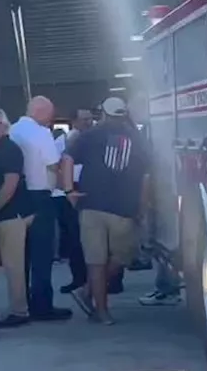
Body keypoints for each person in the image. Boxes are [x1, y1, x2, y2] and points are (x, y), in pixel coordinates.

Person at [61, 97, 150, 325]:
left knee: (96, 261)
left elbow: (67, 158)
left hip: (92, 206)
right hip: (123, 209)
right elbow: (146, 175)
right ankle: (99, 310)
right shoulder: (137, 138)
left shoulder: (88, 135)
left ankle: (92, 298)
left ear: (103, 113)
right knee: (119, 257)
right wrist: (142, 205)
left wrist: (69, 189)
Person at [8, 96, 72, 321]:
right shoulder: (42, 134)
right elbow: (53, 164)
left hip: (17, 196)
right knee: (42, 254)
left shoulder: (12, 130)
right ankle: (42, 305)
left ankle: (21, 303)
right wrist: (65, 184)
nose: (51, 119)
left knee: (21, 254)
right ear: (40, 111)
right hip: (41, 196)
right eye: (50, 114)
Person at [0, 109, 32, 328]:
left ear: (4, 126)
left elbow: (10, 185)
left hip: (11, 216)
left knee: (13, 266)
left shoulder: (10, 150)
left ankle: (20, 312)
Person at [56, 111, 92, 294]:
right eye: (84, 119)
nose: (88, 122)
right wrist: (66, 189)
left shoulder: (96, 140)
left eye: (90, 118)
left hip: (92, 192)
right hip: (70, 193)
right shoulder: (63, 142)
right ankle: (79, 279)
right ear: (74, 121)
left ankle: (112, 281)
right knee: (74, 239)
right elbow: (56, 166)